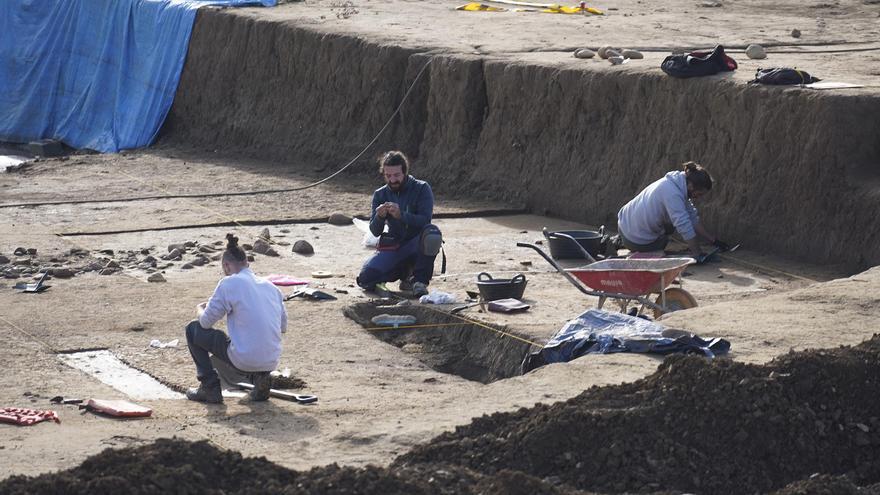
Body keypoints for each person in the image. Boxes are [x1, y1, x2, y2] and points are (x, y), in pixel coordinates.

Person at [184, 233, 287, 403]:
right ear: (247, 263)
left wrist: (200, 309)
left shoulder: (228, 283)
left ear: (226, 266)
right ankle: (261, 378)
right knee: (245, 337)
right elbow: (282, 328)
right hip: (271, 360)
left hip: (244, 358)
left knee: (192, 329)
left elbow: (205, 322)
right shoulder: (272, 287)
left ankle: (209, 387)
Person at [356, 150, 442, 297]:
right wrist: (379, 216)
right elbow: (375, 231)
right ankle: (404, 273)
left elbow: (425, 220)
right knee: (365, 279)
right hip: (395, 244)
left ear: (405, 172)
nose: (392, 180)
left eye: (396, 175)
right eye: (388, 176)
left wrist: (401, 215)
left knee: (432, 233)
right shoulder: (380, 194)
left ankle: (420, 281)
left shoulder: (421, 188)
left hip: (416, 243)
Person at [616, 161, 729, 260]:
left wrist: (713, 240)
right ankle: (646, 251)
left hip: (624, 225)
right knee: (667, 235)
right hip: (635, 239)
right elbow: (684, 224)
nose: (698, 197)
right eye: (698, 194)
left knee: (672, 223)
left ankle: (628, 241)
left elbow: (692, 217)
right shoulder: (673, 194)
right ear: (691, 185)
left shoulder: (676, 184)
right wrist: (697, 253)